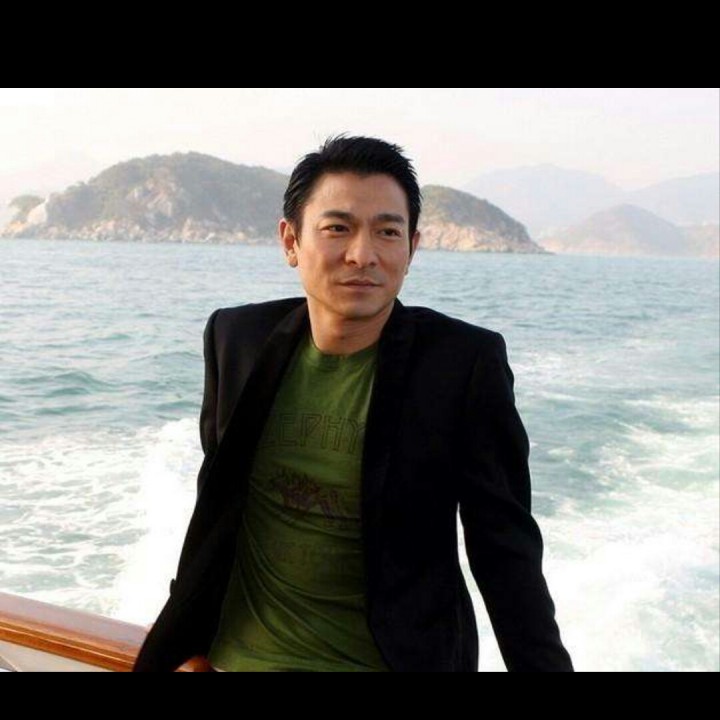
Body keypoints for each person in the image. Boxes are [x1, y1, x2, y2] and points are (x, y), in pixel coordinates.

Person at [132, 134, 574, 672]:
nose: (363, 255)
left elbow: (505, 551)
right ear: (291, 241)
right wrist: (183, 634)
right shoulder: (237, 338)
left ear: (411, 249)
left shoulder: (461, 366)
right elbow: (216, 508)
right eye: (338, 228)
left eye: (387, 232)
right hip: (238, 659)